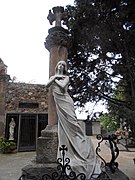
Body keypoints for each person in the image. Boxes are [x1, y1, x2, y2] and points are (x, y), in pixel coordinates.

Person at [46, 60, 101, 179]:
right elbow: (47, 85)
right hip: (59, 104)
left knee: (73, 123)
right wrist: (55, 77)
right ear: (56, 67)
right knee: (64, 126)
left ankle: (83, 144)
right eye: (59, 64)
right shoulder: (54, 76)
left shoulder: (66, 77)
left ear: (64, 68)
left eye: (62, 65)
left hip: (66, 101)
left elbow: (62, 86)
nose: (60, 66)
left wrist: (56, 78)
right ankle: (70, 147)